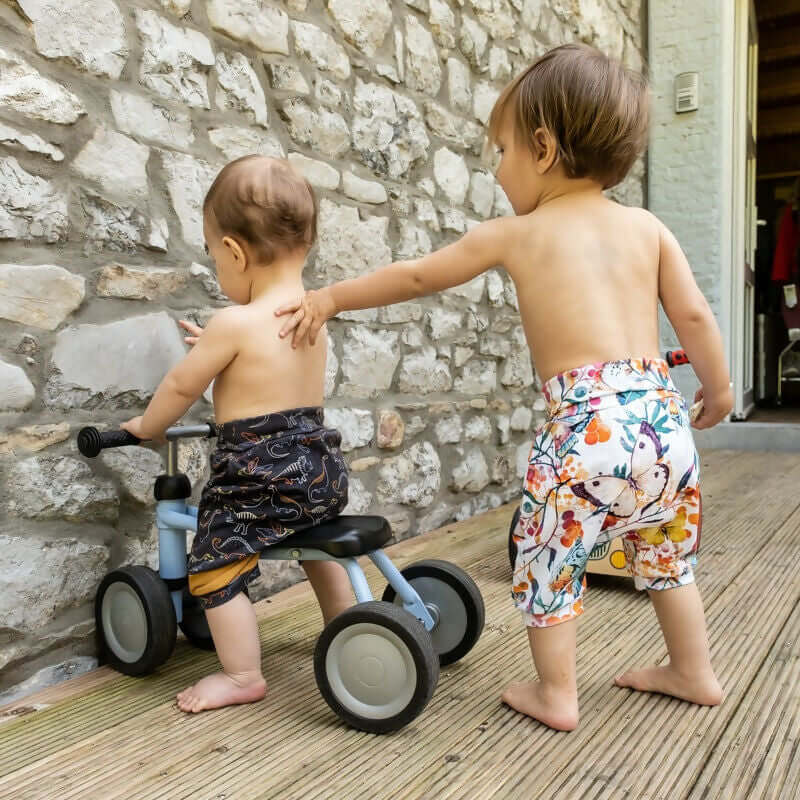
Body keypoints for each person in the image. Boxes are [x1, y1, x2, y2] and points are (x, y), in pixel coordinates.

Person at [275, 44, 730, 732]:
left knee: (548, 560)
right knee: (665, 558)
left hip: (585, 433)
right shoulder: (647, 228)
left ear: (543, 148)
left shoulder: (519, 234)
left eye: (502, 150)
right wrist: (719, 389)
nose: (497, 168)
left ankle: (557, 692)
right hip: (664, 430)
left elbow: (420, 276)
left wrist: (332, 297)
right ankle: (693, 672)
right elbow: (694, 314)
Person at [122, 156, 353, 714]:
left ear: (234, 252)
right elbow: (261, 359)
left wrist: (147, 427)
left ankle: (242, 674)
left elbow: (181, 387)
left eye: (212, 254)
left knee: (213, 559)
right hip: (319, 474)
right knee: (316, 545)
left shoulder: (233, 324)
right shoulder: (309, 320)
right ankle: (347, 629)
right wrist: (219, 342)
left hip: (258, 479)